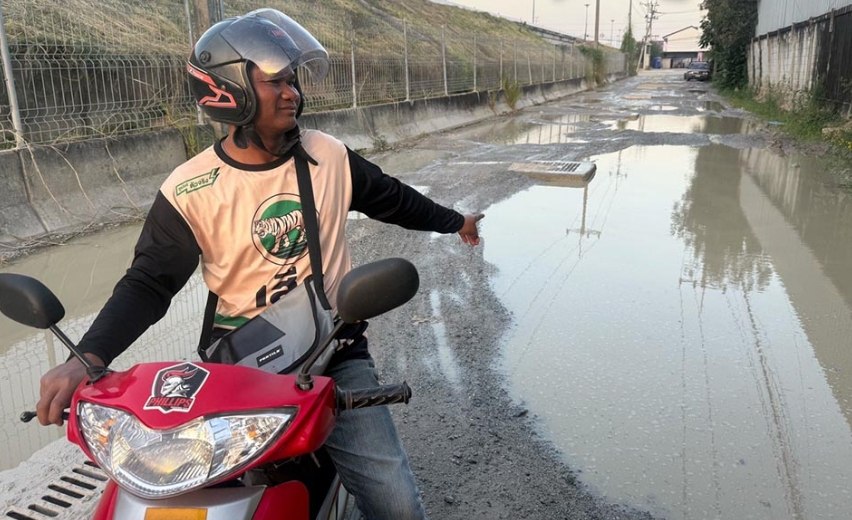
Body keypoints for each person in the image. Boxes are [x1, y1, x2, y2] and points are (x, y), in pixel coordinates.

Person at [36, 8, 482, 520]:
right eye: (276, 81)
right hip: (236, 367)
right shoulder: (189, 189)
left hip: (332, 352)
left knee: (397, 503)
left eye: (293, 80)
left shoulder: (328, 157)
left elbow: (395, 198)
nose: (292, 92)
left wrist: (456, 221)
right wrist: (88, 356)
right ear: (231, 91)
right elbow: (149, 283)